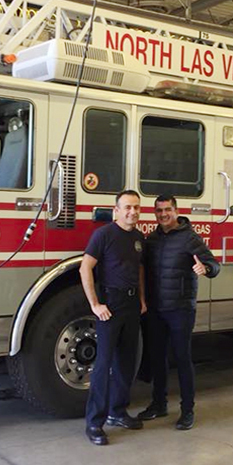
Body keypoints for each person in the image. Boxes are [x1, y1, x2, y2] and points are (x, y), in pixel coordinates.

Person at [138, 194, 220, 430]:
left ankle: (187, 411)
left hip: (181, 309)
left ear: (176, 211)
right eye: (159, 210)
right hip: (156, 309)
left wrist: (206, 268)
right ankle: (159, 404)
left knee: (183, 359)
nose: (163, 214)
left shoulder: (190, 238)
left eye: (167, 210)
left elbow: (214, 264)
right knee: (157, 358)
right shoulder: (151, 239)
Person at [79, 190, 147, 446]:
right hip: (111, 303)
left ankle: (117, 413)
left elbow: (139, 268)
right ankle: (94, 423)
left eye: (137, 207)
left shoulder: (139, 238)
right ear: (116, 210)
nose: (133, 212)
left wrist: (141, 298)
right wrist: (95, 304)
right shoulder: (104, 235)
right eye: (127, 207)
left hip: (131, 304)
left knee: (126, 363)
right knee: (104, 364)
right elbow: (86, 266)